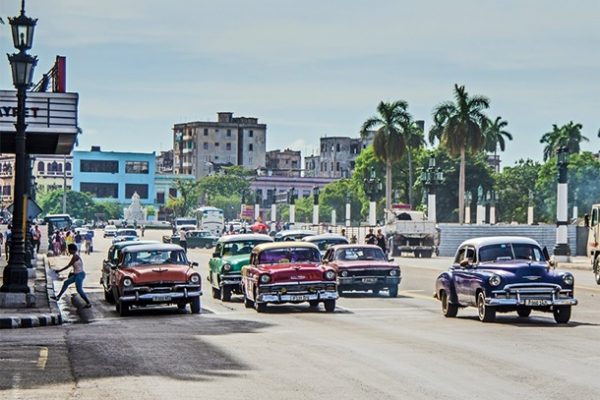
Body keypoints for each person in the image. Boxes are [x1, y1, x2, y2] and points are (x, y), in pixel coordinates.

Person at [52, 243, 92, 308]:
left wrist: (59, 271)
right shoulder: (76, 255)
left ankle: (88, 303)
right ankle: (58, 297)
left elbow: (68, 266)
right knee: (66, 283)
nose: (69, 251)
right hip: (76, 274)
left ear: (72, 250)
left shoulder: (75, 257)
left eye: (69, 250)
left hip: (79, 275)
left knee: (79, 290)